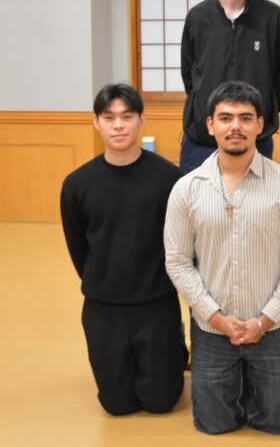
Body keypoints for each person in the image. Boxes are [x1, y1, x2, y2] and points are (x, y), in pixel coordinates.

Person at [164, 80, 280, 434]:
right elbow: (178, 261)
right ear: (210, 125)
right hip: (212, 328)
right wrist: (215, 317)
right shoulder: (186, 188)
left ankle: (257, 382)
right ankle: (245, 381)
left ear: (260, 125)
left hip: (273, 326)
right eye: (226, 118)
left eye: (246, 118)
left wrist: (265, 319)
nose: (236, 126)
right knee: (213, 424)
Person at [60, 83, 185, 415]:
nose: (118, 125)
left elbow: (182, 243)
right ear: (96, 122)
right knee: (116, 405)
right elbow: (78, 248)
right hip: (104, 307)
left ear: (141, 120)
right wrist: (102, 280)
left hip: (156, 304)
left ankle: (175, 349)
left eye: (127, 117)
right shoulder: (77, 184)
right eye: (109, 117)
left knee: (161, 402)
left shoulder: (170, 179)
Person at [179, 0, 280, 172]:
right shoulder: (198, 17)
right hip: (202, 140)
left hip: (255, 139)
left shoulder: (272, 17)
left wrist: (262, 114)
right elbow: (189, 74)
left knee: (257, 198)